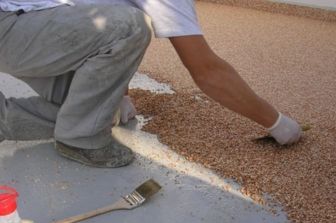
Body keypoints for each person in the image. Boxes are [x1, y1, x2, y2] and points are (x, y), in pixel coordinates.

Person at [0, 0, 302, 168]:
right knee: (129, 26)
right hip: (12, 25)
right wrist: (275, 122)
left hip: (30, 26)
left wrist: (120, 94)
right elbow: (207, 71)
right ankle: (81, 140)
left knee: (97, 109)